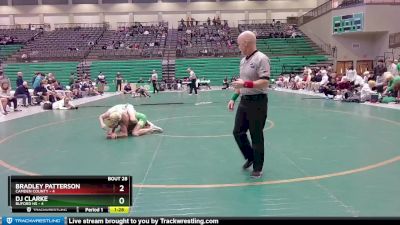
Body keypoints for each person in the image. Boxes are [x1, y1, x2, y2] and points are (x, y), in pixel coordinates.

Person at [228, 31, 270, 179]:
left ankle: (258, 167)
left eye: (239, 44)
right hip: (245, 100)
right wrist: (234, 97)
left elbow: (265, 81)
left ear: (246, 43)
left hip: (258, 101)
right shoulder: (243, 60)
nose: (238, 46)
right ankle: (251, 156)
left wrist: (246, 84)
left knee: (256, 135)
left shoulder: (261, 59)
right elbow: (241, 82)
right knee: (237, 132)